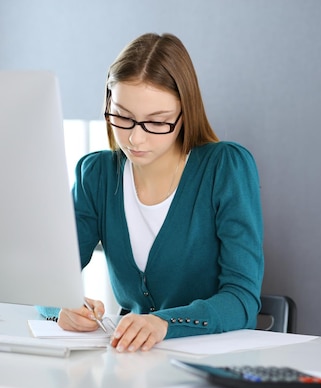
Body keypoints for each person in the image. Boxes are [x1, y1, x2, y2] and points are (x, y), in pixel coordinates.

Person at [53, 33, 264, 353]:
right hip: (131, 360)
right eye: (122, 116)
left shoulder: (226, 167)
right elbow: (48, 278)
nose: (135, 139)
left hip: (211, 363)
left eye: (156, 122)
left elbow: (242, 300)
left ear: (185, 112)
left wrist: (165, 323)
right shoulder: (96, 175)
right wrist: (61, 308)